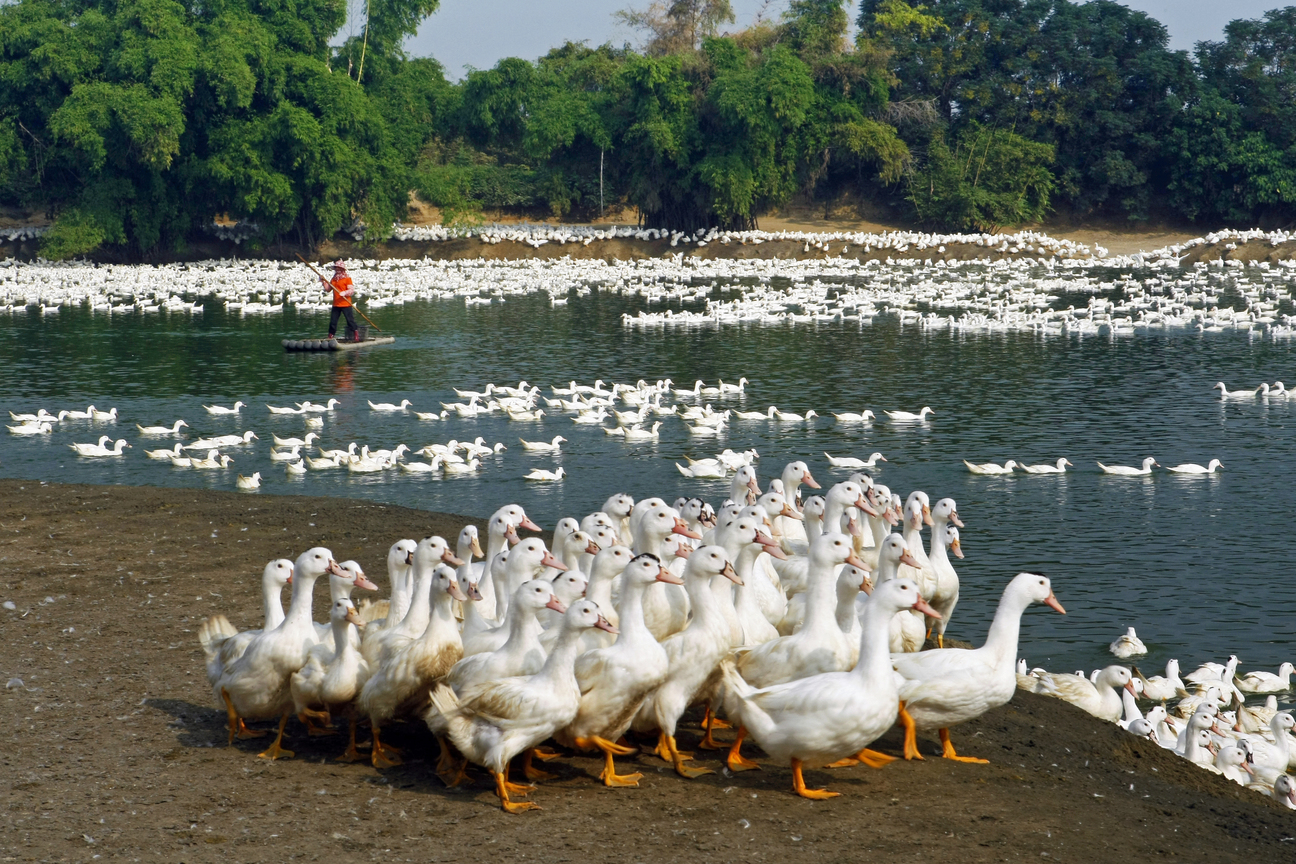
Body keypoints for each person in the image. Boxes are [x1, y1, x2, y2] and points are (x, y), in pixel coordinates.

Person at [321, 260, 358, 339]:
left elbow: (351, 290)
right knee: (333, 322)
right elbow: (328, 289)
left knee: (350, 321)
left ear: (342, 269)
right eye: (336, 268)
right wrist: (323, 281)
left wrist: (345, 292)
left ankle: (356, 335)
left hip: (346, 303)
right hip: (336, 304)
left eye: (338, 268)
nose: (337, 270)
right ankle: (330, 336)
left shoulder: (347, 279)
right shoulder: (334, 279)